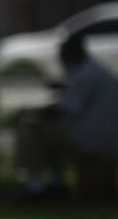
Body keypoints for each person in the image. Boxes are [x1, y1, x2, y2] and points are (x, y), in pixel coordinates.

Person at [15, 36, 118, 199]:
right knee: (48, 132)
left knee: (29, 126)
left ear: (68, 56)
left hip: (90, 141)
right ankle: (57, 181)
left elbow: (64, 110)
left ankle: (37, 185)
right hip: (105, 138)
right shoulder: (95, 70)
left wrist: (30, 111)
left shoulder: (84, 74)